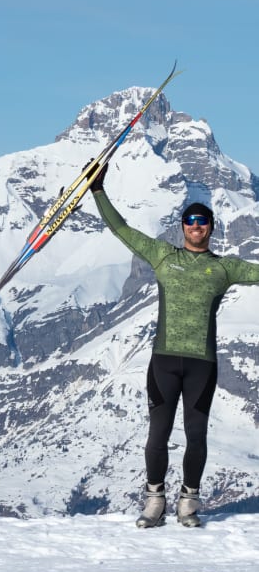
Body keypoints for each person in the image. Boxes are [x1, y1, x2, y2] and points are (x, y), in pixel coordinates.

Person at [89, 163, 259, 528]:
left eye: (202, 221)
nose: (196, 226)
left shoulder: (225, 268)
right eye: (190, 221)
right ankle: (154, 501)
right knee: (158, 435)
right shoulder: (165, 256)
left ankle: (188, 502)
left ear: (211, 227)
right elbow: (122, 230)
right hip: (163, 361)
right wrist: (98, 191)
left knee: (196, 435)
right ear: (182, 227)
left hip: (202, 364)